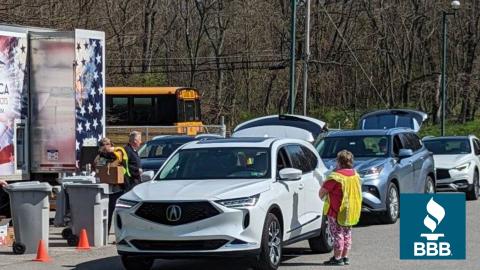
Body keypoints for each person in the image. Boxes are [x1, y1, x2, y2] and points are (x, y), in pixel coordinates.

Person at [320, 150, 362, 266]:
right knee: (347, 234)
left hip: (336, 211)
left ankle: (337, 258)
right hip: (351, 210)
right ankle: (345, 257)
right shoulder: (355, 174)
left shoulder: (335, 177)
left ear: (338, 162)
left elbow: (321, 194)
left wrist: (328, 177)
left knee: (337, 234)